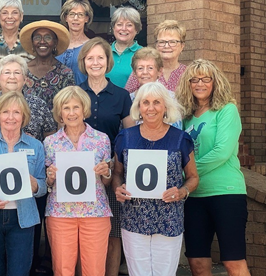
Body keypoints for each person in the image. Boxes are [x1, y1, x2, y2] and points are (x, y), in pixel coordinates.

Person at [112, 82, 199, 276]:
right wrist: (118, 188)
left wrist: (182, 191)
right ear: (139, 107)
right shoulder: (124, 137)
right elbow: (117, 172)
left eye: (157, 102)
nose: (151, 108)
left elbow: (193, 177)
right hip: (134, 218)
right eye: (146, 102)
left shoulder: (180, 138)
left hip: (169, 218)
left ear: (166, 107)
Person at [176, 59, 251, 276]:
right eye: (195, 79)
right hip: (194, 196)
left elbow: (221, 152)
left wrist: (184, 173)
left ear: (215, 82)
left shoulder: (227, 110)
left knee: (233, 261)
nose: (200, 83)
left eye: (206, 79)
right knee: (196, 261)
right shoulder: (185, 116)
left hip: (226, 193)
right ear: (188, 84)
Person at [0, 91, 47, 276]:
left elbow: (43, 186)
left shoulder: (35, 145)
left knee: (19, 272)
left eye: (16, 112)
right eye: (5, 112)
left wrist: (34, 183)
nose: (10, 117)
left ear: (24, 116)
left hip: (23, 219)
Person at [77, 37, 134, 276]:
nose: (95, 62)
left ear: (107, 61)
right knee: (81, 234)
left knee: (112, 234)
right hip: (78, 173)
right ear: (84, 62)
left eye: (100, 57)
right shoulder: (75, 93)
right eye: (90, 58)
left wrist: (115, 164)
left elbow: (129, 136)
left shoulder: (121, 96)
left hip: (111, 169)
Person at [44, 86, 113, 276]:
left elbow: (106, 182)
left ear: (85, 110)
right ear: (59, 112)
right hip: (60, 214)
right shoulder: (50, 142)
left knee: (95, 270)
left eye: (76, 107)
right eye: (66, 108)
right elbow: (47, 184)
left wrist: (106, 172)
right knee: (62, 270)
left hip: (95, 213)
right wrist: (50, 178)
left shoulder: (101, 139)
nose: (72, 113)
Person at [0, 54, 57, 146]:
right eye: (7, 72)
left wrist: (34, 145)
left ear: (25, 79)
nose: (12, 77)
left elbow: (51, 138)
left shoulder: (39, 104)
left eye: (17, 73)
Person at [19, 20, 75, 110]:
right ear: (32, 42)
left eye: (48, 37)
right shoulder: (22, 71)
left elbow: (68, 105)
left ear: (55, 42)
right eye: (37, 38)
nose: (42, 41)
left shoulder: (65, 73)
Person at [0, 0, 33, 94]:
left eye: (15, 12)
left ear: (21, 16)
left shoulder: (30, 45)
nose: (9, 17)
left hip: (25, 103)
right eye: (4, 13)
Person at [126, 20, 187, 93]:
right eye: (162, 42)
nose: (166, 46)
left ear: (182, 46)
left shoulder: (187, 73)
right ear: (156, 45)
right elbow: (127, 98)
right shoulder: (142, 71)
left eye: (172, 42)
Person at [129, 47, 182, 129]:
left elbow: (176, 129)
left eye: (150, 68)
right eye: (140, 68)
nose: (145, 72)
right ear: (134, 73)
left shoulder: (171, 98)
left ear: (159, 71)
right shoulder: (128, 99)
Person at [56, 0, 94, 85]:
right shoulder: (56, 44)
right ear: (66, 17)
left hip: (82, 96)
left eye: (80, 15)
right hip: (57, 97)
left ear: (86, 18)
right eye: (72, 14)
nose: (75, 18)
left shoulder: (92, 46)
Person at [105, 7, 143, 88]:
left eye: (129, 25)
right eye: (119, 24)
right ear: (113, 28)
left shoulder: (143, 54)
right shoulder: (104, 52)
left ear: (136, 29)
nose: (123, 29)